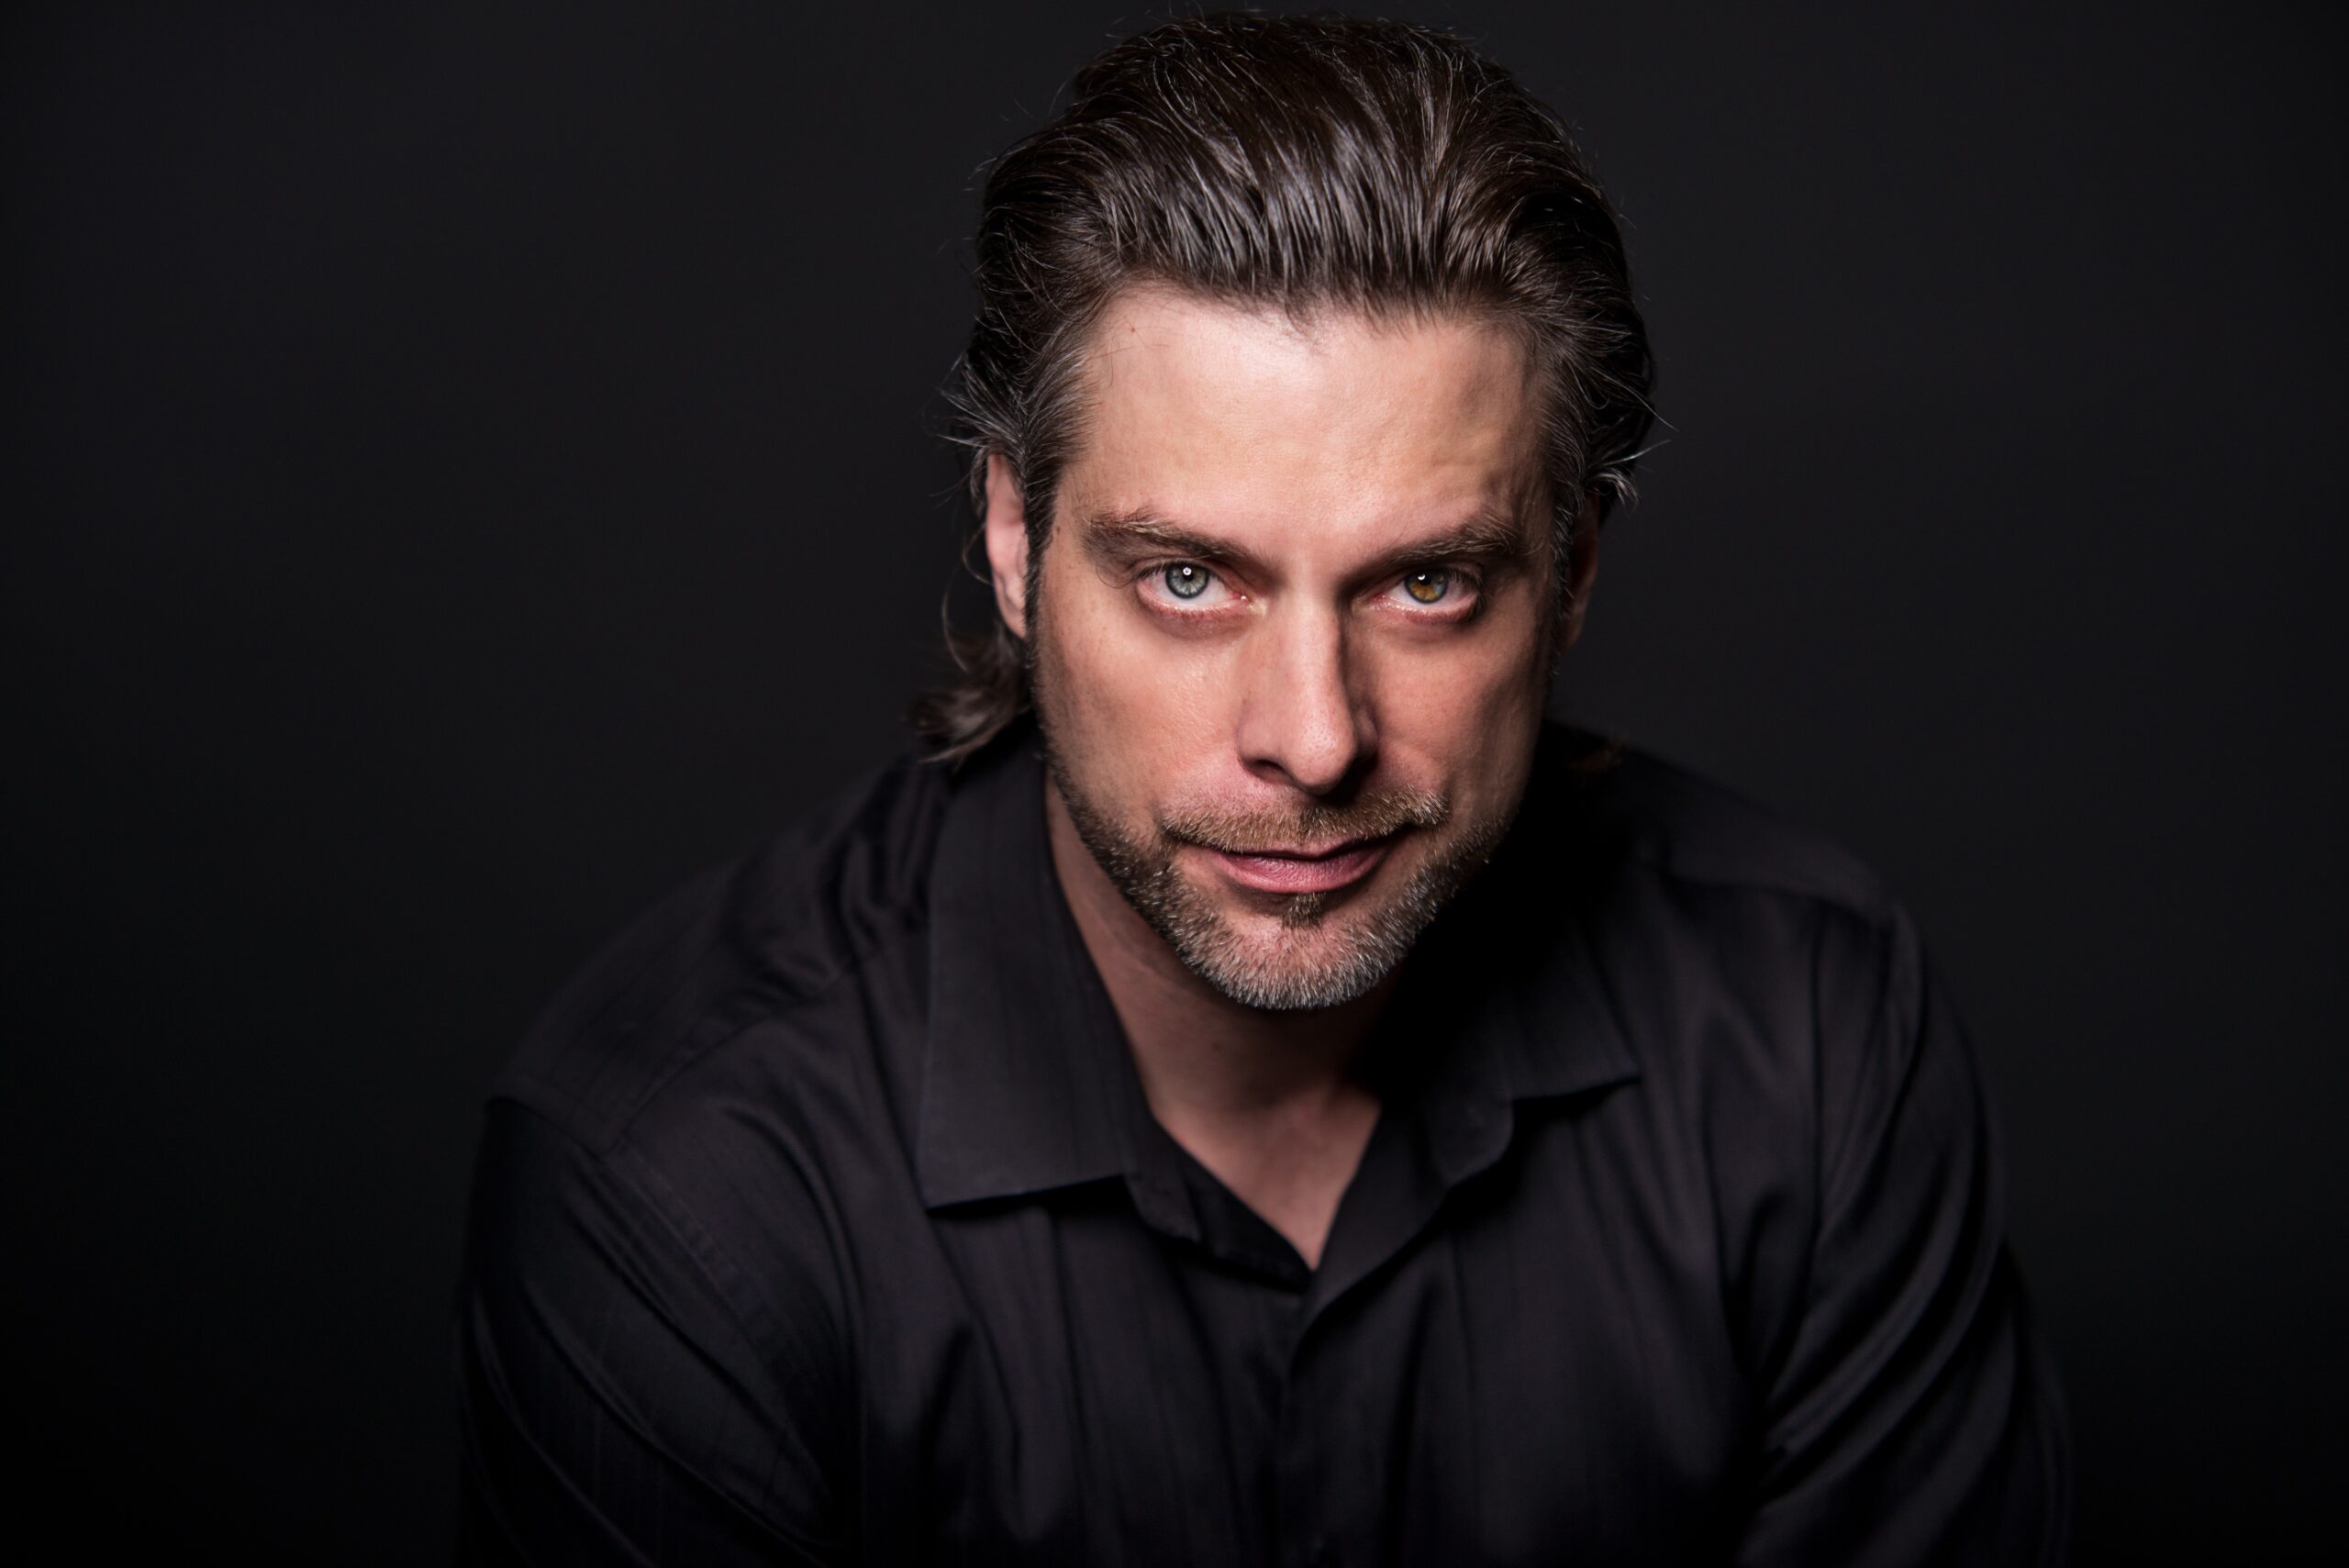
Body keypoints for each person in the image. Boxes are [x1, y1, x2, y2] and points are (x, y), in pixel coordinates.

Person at [454, 13, 2069, 1563]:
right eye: (1188, 579)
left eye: (1426, 583)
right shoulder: (678, 1178)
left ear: (1572, 569)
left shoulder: (1807, 1030)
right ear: (1014, 538)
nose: (1314, 738)